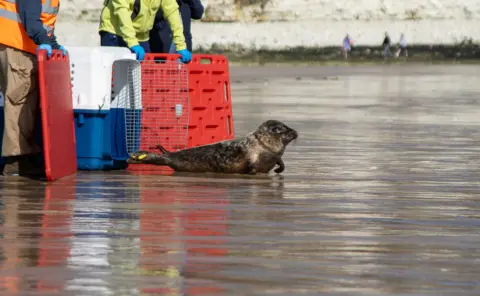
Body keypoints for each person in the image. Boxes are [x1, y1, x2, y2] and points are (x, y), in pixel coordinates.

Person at [0, 0, 67, 176]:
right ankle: (14, 161)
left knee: (21, 100)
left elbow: (42, 20)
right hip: (17, 45)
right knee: (19, 102)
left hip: (15, 43)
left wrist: (53, 44)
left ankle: (23, 156)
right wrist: (43, 40)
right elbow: (30, 18)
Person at [99, 0, 192, 63]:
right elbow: (121, 12)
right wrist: (132, 43)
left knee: (142, 79)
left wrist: (181, 46)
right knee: (113, 77)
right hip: (114, 31)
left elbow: (172, 11)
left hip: (141, 35)